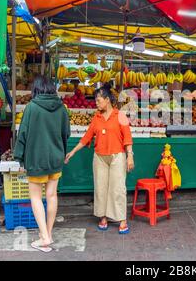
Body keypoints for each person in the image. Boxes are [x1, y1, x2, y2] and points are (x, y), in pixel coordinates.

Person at [65, 84, 134, 234]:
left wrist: (130, 156)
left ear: (107, 100)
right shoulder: (96, 117)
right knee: (101, 188)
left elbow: (127, 138)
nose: (96, 103)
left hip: (118, 156)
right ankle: (103, 217)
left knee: (118, 189)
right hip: (100, 158)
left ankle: (122, 219)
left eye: (98, 100)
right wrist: (73, 152)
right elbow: (86, 137)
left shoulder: (120, 116)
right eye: (96, 100)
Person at [14, 75, 70, 253]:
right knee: (52, 195)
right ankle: (48, 234)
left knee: (36, 197)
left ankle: (44, 237)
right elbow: (66, 133)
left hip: (36, 158)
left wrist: (19, 157)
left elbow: (22, 134)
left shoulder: (31, 107)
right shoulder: (62, 108)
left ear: (36, 89)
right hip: (56, 158)